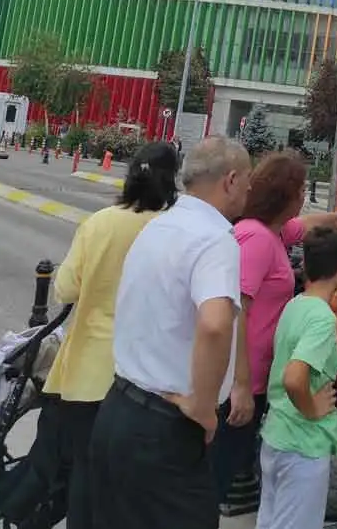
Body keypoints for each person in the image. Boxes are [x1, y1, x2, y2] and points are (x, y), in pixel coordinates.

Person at [88, 137, 252, 529]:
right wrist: (204, 406)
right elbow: (215, 323)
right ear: (230, 180)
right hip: (165, 429)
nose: (250, 189)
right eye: (248, 180)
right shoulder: (215, 240)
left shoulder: (161, 226)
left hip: (118, 410)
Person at [42, 142, 181, 529]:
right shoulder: (171, 229)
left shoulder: (100, 223)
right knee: (131, 487)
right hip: (147, 380)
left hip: (88, 374)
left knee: (85, 476)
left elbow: (66, 290)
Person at [211, 150, 337, 502]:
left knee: (227, 468)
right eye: (301, 190)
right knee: (217, 474)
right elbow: (235, 310)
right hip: (243, 380)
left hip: (259, 376)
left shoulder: (274, 231)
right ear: (284, 196)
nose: (304, 196)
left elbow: (304, 225)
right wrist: (242, 385)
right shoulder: (258, 239)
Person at [256, 226, 337, 529]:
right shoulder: (323, 319)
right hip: (303, 445)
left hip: (277, 435)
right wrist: (312, 408)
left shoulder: (295, 305)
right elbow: (294, 377)